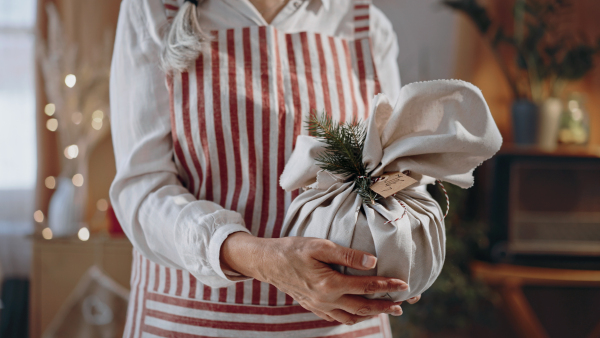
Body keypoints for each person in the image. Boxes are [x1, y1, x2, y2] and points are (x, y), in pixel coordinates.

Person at [110, 0, 420, 336]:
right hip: (195, 320)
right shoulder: (155, 8)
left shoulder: (365, 23)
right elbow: (143, 189)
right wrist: (260, 259)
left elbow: (395, 171)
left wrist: (407, 241)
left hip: (341, 327)